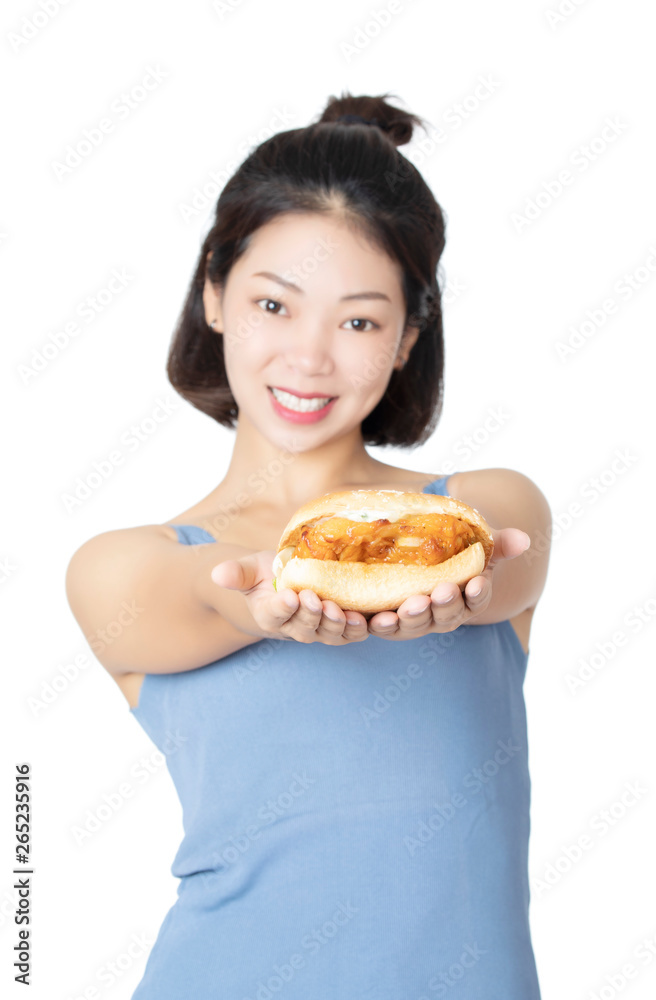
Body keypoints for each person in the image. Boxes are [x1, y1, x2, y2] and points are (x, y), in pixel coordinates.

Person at [66, 91, 551, 999]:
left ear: (409, 335)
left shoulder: (480, 511)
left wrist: (456, 588)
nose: (310, 358)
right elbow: (210, 592)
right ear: (213, 294)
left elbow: (498, 568)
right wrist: (263, 603)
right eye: (274, 305)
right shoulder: (122, 568)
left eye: (360, 320)